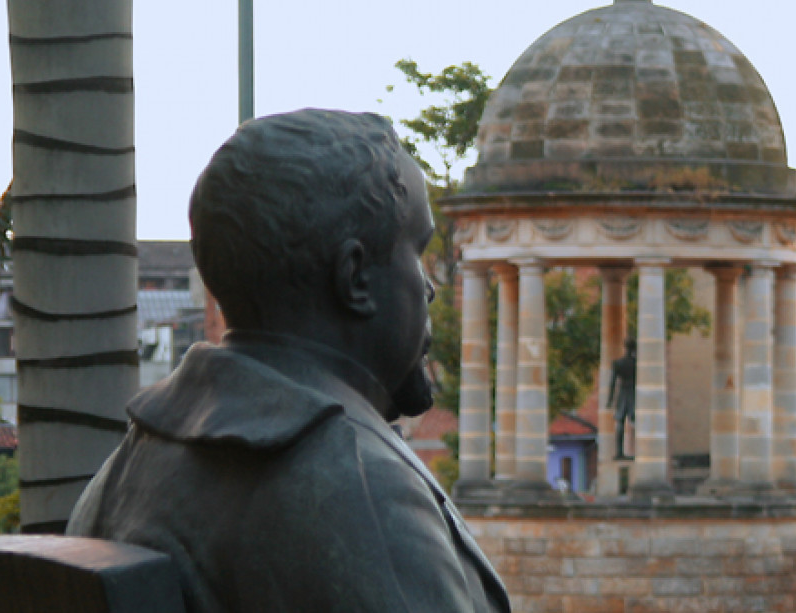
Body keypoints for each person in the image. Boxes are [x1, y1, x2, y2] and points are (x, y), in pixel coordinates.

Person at [67, 109, 511, 613]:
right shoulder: (360, 491)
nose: (429, 286)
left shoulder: (126, 470)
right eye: (417, 250)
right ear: (355, 278)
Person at [605, 338, 637, 459]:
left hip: (623, 393)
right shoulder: (636, 363)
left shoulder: (618, 363)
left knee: (620, 421)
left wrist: (610, 399)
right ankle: (633, 450)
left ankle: (619, 452)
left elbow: (612, 383)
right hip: (633, 393)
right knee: (633, 421)